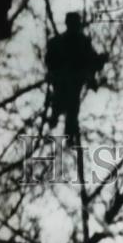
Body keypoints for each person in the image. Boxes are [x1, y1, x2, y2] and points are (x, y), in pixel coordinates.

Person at [45, 12, 107, 144]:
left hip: (73, 82)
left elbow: (92, 61)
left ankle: (67, 131)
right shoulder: (59, 42)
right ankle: (60, 124)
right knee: (67, 105)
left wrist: (101, 60)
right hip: (64, 81)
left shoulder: (81, 42)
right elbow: (50, 61)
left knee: (70, 107)